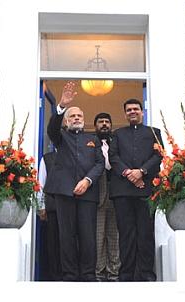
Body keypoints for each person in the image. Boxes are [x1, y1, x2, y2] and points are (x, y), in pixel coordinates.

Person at [45, 81, 105, 281]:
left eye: (79, 115)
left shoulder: (93, 139)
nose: (76, 118)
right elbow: (52, 128)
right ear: (67, 121)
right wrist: (61, 106)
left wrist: (87, 181)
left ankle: (88, 275)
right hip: (64, 193)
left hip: (88, 193)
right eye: (72, 116)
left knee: (88, 237)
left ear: (83, 119)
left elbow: (100, 163)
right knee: (66, 236)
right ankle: (69, 275)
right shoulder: (60, 136)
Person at [109, 99, 162, 282]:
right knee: (126, 234)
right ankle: (126, 275)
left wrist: (141, 172)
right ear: (125, 114)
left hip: (146, 190)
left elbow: (158, 156)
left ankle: (146, 274)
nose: (132, 112)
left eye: (135, 109)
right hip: (122, 191)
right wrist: (129, 174)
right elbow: (113, 157)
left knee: (146, 233)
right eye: (129, 110)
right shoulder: (117, 134)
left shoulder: (154, 133)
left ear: (142, 111)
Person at [93, 112, 120, 282]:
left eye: (107, 122)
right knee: (98, 235)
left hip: (116, 193)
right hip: (96, 194)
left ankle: (114, 272)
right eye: (101, 122)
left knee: (114, 236)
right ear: (95, 125)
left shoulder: (118, 142)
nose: (104, 124)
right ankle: (99, 272)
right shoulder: (89, 143)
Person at [36, 147, 61, 281]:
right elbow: (41, 184)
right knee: (53, 243)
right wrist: (41, 207)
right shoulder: (47, 158)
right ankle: (55, 276)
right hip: (53, 208)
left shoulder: (76, 155)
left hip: (72, 208)